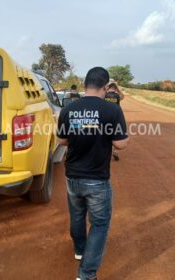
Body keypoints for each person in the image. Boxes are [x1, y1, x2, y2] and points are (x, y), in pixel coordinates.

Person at [57, 67, 129, 280]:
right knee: (99, 224)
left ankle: (80, 250)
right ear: (105, 87)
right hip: (97, 180)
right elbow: (120, 144)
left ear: (84, 84)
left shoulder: (69, 109)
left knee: (77, 215)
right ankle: (87, 274)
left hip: (73, 177)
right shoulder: (112, 110)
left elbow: (62, 141)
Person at [104, 81, 125, 161]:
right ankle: (115, 151)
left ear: (108, 88)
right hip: (115, 117)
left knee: (104, 133)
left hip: (105, 116)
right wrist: (118, 89)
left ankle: (104, 151)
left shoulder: (104, 95)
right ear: (115, 88)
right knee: (116, 134)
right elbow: (123, 96)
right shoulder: (117, 96)